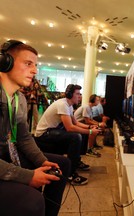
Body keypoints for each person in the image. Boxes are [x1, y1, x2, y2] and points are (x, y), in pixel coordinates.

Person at [0, 39, 71, 216]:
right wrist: (27, 176)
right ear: (5, 62)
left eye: (35, 65)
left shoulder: (19, 99)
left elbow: (23, 138)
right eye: (28, 63)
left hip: (8, 153)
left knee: (60, 166)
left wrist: (41, 161)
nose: (35, 70)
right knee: (32, 201)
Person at [34, 84, 101, 186]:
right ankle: (70, 174)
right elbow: (70, 127)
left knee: (81, 133)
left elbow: (76, 123)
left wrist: (89, 128)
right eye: (77, 94)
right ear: (70, 95)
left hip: (52, 130)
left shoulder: (68, 106)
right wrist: (91, 132)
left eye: (80, 94)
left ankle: (76, 162)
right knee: (76, 136)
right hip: (44, 133)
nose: (80, 96)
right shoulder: (63, 105)